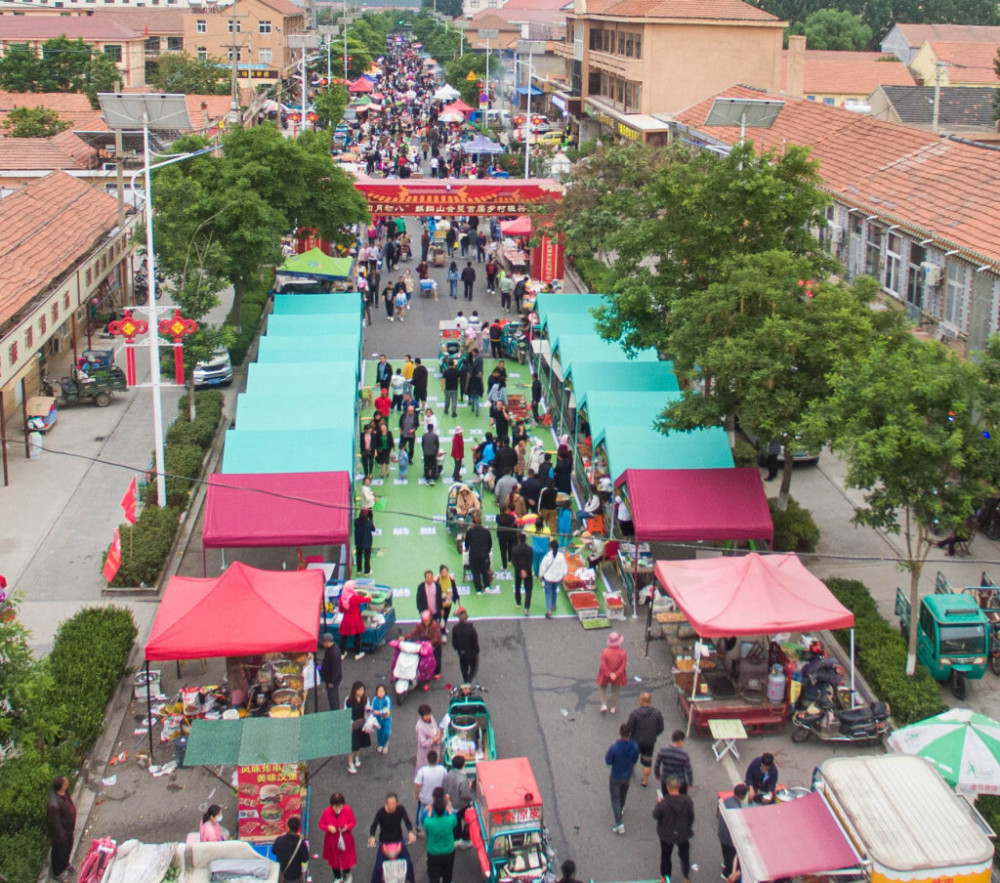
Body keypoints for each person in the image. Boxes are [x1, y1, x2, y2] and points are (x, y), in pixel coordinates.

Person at [653, 778, 695, 883]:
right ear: (679, 786)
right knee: (684, 856)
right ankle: (686, 877)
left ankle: (665, 877)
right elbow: (691, 816)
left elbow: (655, 815)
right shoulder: (687, 800)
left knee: (666, 857)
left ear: (667, 788)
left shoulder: (663, 803)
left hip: (666, 835)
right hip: (682, 833)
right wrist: (687, 828)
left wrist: (658, 803)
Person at [606, 723, 639, 835]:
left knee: (615, 798)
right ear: (630, 734)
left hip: (616, 776)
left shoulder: (615, 747)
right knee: (624, 792)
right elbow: (635, 759)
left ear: (620, 733)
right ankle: (622, 807)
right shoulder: (634, 746)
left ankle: (619, 824)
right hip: (627, 775)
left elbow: (608, 761)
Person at [626, 693, 665, 788]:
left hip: (635, 741)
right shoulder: (657, 713)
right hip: (649, 742)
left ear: (641, 701)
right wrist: (654, 735)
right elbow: (660, 728)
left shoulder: (635, 713)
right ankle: (644, 781)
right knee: (647, 762)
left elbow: (629, 728)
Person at [320, 793, 356, 883]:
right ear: (332, 805)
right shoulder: (326, 812)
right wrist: (328, 827)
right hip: (331, 840)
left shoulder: (347, 810)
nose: (338, 809)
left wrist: (346, 827)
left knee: (346, 858)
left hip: (346, 839)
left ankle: (347, 874)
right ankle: (337, 877)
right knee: (333, 860)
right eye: (335, 807)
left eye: (340, 806)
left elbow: (353, 822)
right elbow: (321, 824)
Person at [422, 790, 457, 883]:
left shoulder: (429, 823)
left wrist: (429, 812)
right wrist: (449, 809)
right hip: (449, 851)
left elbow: (425, 821)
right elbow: (454, 818)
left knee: (433, 875)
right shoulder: (450, 820)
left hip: (433, 853)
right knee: (447, 874)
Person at [47, 776, 76, 882]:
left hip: (68, 830)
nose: (68, 781)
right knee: (59, 852)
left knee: (68, 848)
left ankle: (66, 863)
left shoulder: (63, 794)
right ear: (62, 786)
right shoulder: (53, 805)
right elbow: (55, 823)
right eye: (66, 781)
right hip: (61, 835)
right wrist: (62, 836)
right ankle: (58, 873)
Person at [719, 783, 748, 880]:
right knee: (731, 857)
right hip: (729, 838)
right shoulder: (736, 809)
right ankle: (726, 873)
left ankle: (726, 863)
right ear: (742, 796)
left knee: (726, 853)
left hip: (722, 833)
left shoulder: (728, 800)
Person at [414, 751, 448, 833]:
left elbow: (417, 785)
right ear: (437, 759)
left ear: (427, 760)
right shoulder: (443, 770)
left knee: (421, 813)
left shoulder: (422, 771)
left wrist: (416, 794)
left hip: (424, 799)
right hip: (438, 799)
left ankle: (419, 828)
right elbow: (446, 782)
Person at [407, 610, 444, 685]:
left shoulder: (435, 625)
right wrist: (406, 637)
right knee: (424, 661)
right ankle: (425, 677)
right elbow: (414, 632)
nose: (425, 622)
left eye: (427, 621)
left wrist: (429, 644)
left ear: (430, 619)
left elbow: (437, 637)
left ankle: (437, 672)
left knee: (437, 659)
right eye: (424, 621)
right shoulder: (420, 625)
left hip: (435, 645)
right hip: (424, 645)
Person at [444, 757, 474, 845]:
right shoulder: (462, 779)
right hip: (461, 804)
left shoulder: (449, 774)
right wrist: (470, 788)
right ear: (463, 765)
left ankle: (456, 838)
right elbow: (465, 795)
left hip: (451, 802)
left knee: (456, 823)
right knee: (469, 819)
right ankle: (465, 839)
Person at [655, 731, 694, 796]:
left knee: (666, 799)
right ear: (680, 741)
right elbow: (688, 771)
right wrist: (690, 783)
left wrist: (658, 775)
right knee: (681, 800)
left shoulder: (663, 750)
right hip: (680, 783)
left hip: (666, 780)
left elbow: (657, 765)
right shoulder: (684, 755)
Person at [597, 631, 628, 713]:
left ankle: (603, 704)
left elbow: (603, 664)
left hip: (605, 674)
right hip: (617, 676)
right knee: (615, 690)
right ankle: (613, 707)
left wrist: (609, 673)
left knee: (602, 687)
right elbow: (623, 665)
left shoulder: (605, 651)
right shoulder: (622, 653)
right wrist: (616, 674)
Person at [273, 815, 310, 883]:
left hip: (283, 876)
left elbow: (274, 851)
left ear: (287, 827)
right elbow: (305, 859)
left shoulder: (279, 840)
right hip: (296, 877)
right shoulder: (301, 844)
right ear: (298, 828)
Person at [464, 512, 493, 595]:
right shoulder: (486, 531)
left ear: (473, 522)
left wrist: (466, 548)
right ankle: (487, 586)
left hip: (474, 555)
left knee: (475, 572)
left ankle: (478, 589)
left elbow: (467, 543)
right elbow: (490, 544)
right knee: (484, 570)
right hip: (484, 555)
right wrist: (486, 551)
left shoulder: (470, 532)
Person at [345, 682, 371, 774]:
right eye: (360, 690)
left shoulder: (365, 699)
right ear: (355, 690)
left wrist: (369, 721)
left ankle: (357, 757)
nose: (362, 692)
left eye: (363, 690)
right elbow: (346, 713)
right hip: (353, 725)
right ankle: (350, 762)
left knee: (360, 743)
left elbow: (368, 710)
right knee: (353, 745)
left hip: (362, 724)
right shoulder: (349, 700)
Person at [451, 608, 480, 683]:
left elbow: (454, 642)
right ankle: (468, 681)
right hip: (471, 653)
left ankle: (466, 680)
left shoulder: (455, 628)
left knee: (464, 668)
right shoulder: (471, 629)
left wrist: (458, 650)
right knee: (474, 668)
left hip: (462, 653)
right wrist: (477, 651)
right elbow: (475, 641)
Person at [339, 581, 366, 661]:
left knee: (343, 637)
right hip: (355, 620)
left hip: (346, 620)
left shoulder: (341, 598)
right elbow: (365, 600)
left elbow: (340, 610)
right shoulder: (354, 598)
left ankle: (342, 653)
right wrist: (370, 597)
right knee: (358, 637)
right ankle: (358, 653)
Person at [510, 532, 534, 615]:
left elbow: (514, 562)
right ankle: (526, 608)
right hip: (527, 571)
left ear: (518, 539)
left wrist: (520, 570)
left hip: (518, 571)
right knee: (528, 589)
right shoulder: (530, 549)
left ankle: (518, 602)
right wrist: (525, 570)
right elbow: (530, 561)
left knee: (517, 586)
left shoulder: (514, 549)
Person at [320, 632, 343, 712]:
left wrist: (331, 682)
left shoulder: (334, 653)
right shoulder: (331, 649)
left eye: (323, 642)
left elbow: (335, 669)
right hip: (331, 678)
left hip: (332, 680)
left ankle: (335, 712)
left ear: (327, 642)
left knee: (332, 697)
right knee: (334, 696)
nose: (322, 644)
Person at [437, 565, 460, 637]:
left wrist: (456, 596)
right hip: (440, 602)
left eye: (446, 572)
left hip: (448, 601)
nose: (445, 573)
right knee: (442, 618)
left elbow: (454, 588)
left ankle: (443, 627)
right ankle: (443, 634)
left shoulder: (450, 579)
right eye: (443, 572)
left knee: (446, 617)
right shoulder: (437, 579)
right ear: (440, 573)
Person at [372, 683, 393, 754]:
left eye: (382, 691)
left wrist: (379, 712)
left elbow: (387, 710)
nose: (380, 693)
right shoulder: (375, 699)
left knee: (386, 733)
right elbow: (372, 710)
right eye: (379, 691)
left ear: (385, 692)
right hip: (378, 720)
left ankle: (386, 745)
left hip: (386, 720)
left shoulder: (387, 699)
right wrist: (379, 712)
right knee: (379, 733)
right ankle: (380, 744)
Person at [354, 508, 374, 575]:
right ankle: (367, 571)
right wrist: (371, 518)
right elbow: (373, 529)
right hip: (367, 543)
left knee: (359, 556)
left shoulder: (356, 521)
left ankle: (359, 570)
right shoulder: (368, 523)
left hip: (358, 542)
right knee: (367, 557)